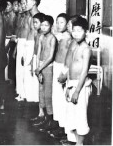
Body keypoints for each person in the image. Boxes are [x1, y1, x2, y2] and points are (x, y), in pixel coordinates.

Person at [59, 16, 92, 145]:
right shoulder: (75, 46)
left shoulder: (86, 49)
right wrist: (68, 87)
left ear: (86, 32)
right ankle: (76, 142)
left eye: (80, 31)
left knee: (80, 117)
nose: (76, 34)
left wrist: (77, 91)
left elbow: (84, 72)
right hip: (72, 84)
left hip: (81, 86)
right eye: (74, 31)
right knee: (73, 116)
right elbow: (70, 66)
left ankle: (80, 144)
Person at [46, 13, 73, 138]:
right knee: (56, 98)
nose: (58, 24)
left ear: (67, 24)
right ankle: (59, 125)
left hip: (63, 69)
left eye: (61, 22)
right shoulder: (61, 36)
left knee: (62, 100)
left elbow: (70, 58)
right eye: (57, 22)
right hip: (57, 66)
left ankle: (64, 129)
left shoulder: (69, 38)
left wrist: (65, 73)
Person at [33, 15, 57, 131]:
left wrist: (40, 68)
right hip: (41, 67)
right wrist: (37, 68)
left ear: (51, 26)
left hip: (48, 67)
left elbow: (51, 57)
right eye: (42, 25)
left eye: (46, 25)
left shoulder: (53, 38)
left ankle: (50, 121)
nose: (43, 27)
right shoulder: (41, 37)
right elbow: (38, 53)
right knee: (41, 93)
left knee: (48, 95)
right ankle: (43, 117)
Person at [29, 13, 46, 122]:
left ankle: (43, 114)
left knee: (42, 88)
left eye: (36, 22)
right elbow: (35, 51)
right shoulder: (37, 34)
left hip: (42, 63)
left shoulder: (45, 35)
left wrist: (40, 66)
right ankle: (40, 112)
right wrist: (32, 61)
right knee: (39, 88)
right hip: (36, 60)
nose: (34, 25)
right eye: (33, 22)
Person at [15, 0, 31, 101]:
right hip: (20, 43)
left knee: (25, 70)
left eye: (24, 3)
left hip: (26, 43)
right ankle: (20, 92)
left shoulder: (31, 18)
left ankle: (25, 94)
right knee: (19, 70)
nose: (22, 6)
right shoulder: (22, 17)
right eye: (21, 4)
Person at [4, 0, 18, 84]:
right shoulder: (5, 15)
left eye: (8, 5)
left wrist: (9, 42)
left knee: (11, 62)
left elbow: (14, 33)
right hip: (5, 39)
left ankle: (12, 82)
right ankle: (7, 79)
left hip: (11, 40)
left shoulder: (14, 17)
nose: (6, 7)